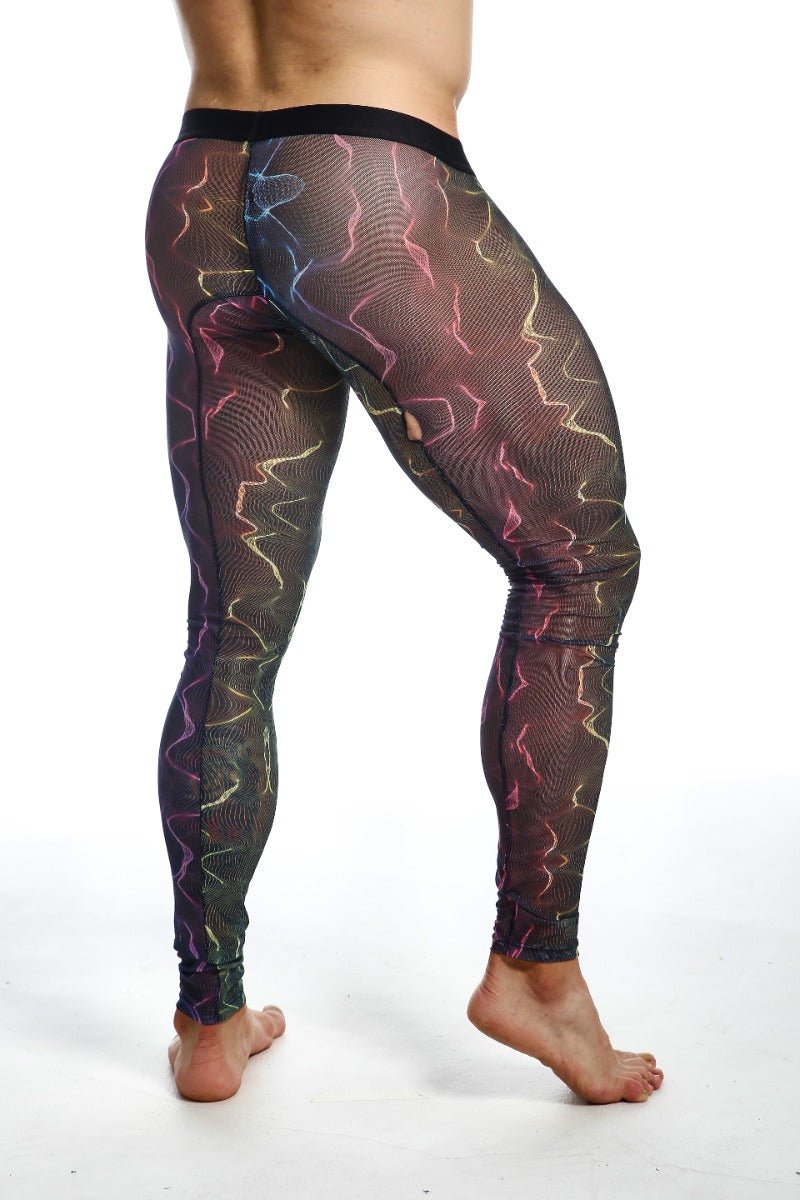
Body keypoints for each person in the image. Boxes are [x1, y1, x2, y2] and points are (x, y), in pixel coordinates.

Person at [144, 0, 663, 1105]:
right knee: (577, 569)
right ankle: (536, 968)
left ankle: (207, 1015)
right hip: (362, 184)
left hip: (201, 189)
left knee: (230, 629)